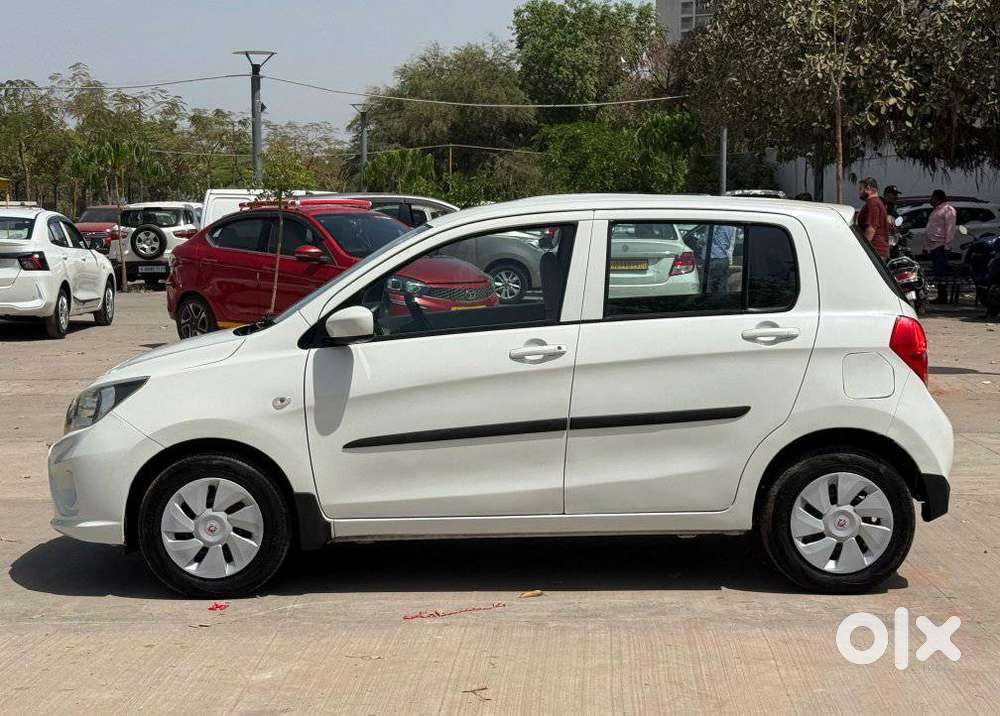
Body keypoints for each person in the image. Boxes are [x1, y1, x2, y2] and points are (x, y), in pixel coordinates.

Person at [925, 189, 957, 304]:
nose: (930, 199)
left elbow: (950, 228)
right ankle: (940, 295)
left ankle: (943, 297)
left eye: (932, 197)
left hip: (941, 246)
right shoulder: (935, 211)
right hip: (933, 246)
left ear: (938, 198)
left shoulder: (948, 210)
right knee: (937, 272)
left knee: (941, 272)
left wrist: (947, 246)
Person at [856, 177, 889, 260]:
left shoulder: (872, 203)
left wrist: (863, 248)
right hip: (878, 250)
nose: (859, 192)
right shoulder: (876, 202)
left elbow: (871, 228)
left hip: (875, 250)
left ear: (868, 188)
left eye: (861, 189)